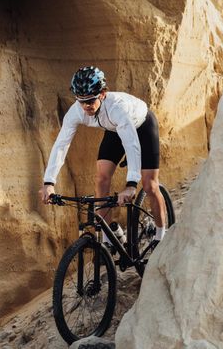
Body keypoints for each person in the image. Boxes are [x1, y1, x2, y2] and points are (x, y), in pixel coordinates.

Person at [39, 66, 167, 242]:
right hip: (114, 129)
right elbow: (62, 144)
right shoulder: (77, 111)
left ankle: (161, 236)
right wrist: (48, 182)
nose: (86, 106)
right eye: (81, 101)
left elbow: (131, 144)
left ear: (102, 94)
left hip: (142, 126)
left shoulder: (117, 108)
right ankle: (109, 240)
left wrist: (131, 184)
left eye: (90, 100)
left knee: (149, 185)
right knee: (101, 178)